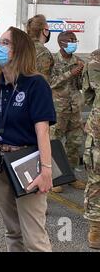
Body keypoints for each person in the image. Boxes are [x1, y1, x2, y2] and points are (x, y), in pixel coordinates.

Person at [0, 26, 56, 252]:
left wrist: (46, 170)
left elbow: (43, 130)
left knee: (34, 238)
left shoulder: (35, 84)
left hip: (26, 163)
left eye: (4, 43)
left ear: (19, 50)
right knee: (13, 231)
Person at [50, 31, 86, 191]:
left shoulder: (78, 61)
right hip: (58, 109)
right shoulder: (52, 60)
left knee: (74, 143)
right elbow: (50, 83)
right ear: (61, 43)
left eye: (75, 40)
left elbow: (80, 86)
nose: (74, 42)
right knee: (54, 143)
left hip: (75, 109)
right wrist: (69, 73)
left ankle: (70, 176)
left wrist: (81, 74)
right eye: (70, 40)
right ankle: (55, 177)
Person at [82, 49, 100, 249]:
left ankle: (96, 228)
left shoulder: (94, 60)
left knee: (96, 178)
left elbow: (87, 96)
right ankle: (96, 228)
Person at [26, 14, 54, 82]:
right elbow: (43, 82)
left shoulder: (22, 47)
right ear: (45, 31)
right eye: (48, 29)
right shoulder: (44, 53)